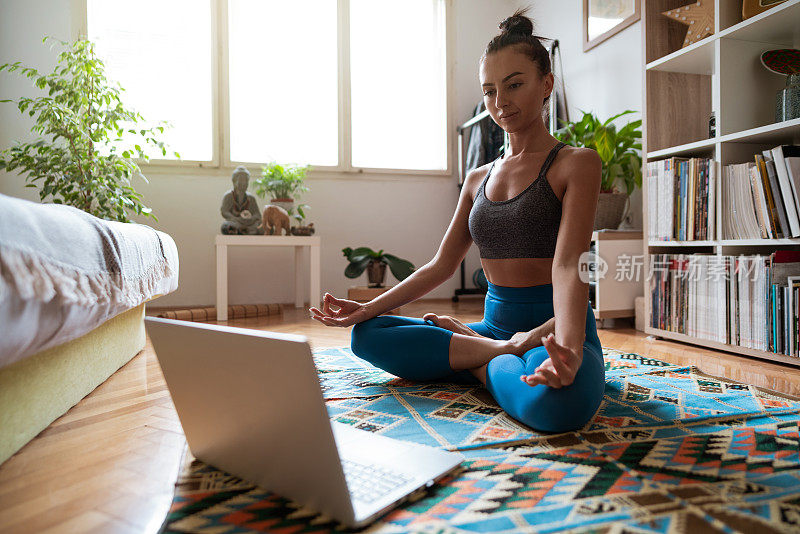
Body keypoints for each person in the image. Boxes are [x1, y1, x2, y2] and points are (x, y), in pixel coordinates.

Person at [309, 7, 604, 434]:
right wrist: (367, 309)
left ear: (546, 84)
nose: (500, 102)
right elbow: (441, 267)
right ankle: (494, 353)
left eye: (515, 85)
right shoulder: (477, 178)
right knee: (366, 336)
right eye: (489, 90)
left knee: (558, 407)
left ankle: (477, 361)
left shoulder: (576, 164)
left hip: (552, 327)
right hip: (492, 327)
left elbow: (567, 266)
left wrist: (571, 348)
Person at [220, 166, 264, 235]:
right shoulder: (229, 196)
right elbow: (224, 212)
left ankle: (244, 231)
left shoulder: (251, 198)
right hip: (235, 222)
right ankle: (245, 231)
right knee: (226, 226)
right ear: (234, 182)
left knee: (264, 227)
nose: (243, 183)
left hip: (249, 224)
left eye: (245, 180)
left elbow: (257, 214)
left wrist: (251, 219)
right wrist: (235, 218)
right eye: (241, 180)